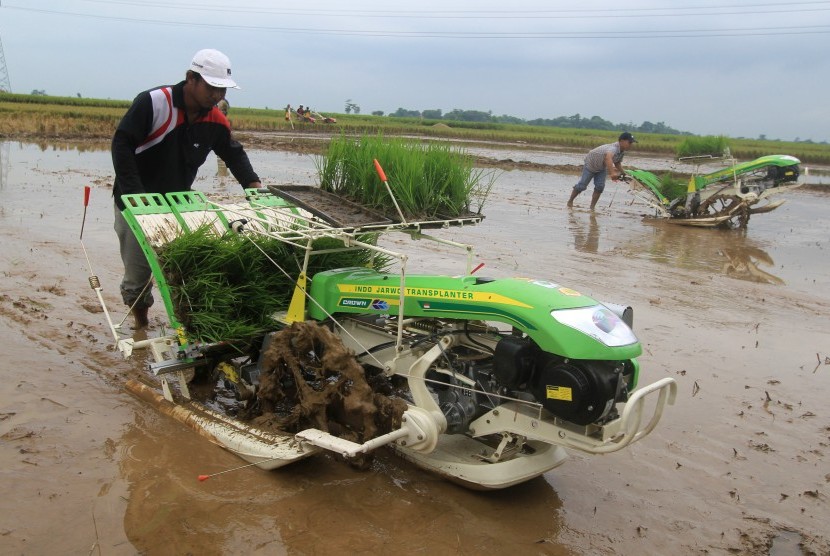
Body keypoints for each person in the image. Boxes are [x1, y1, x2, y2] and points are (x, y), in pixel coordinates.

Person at [111, 48, 262, 328]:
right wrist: (135, 195)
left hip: (177, 204)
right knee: (138, 275)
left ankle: (185, 326)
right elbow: (122, 145)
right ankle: (141, 325)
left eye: (222, 90)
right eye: (212, 88)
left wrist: (253, 186)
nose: (218, 96)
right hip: (135, 203)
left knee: (183, 267)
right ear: (191, 78)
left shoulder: (214, 119)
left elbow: (233, 152)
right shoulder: (155, 103)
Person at [567, 132, 637, 210]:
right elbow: (608, 158)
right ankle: (570, 201)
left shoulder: (621, 151)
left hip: (601, 167)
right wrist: (612, 173)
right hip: (590, 165)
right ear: (621, 141)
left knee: (600, 187)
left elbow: (617, 162)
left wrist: (624, 173)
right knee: (582, 185)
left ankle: (592, 207)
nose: (631, 145)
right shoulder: (613, 148)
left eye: (632, 143)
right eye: (629, 142)